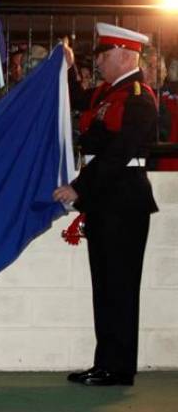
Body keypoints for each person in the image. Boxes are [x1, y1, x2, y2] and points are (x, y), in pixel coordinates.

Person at [54, 23, 158, 386]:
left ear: (126, 56)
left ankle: (118, 366)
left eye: (104, 55)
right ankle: (107, 363)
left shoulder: (138, 97)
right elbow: (77, 100)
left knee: (120, 287)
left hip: (124, 201)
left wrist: (78, 188)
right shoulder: (109, 93)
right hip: (106, 200)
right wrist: (68, 68)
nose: (98, 62)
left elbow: (119, 152)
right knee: (106, 286)